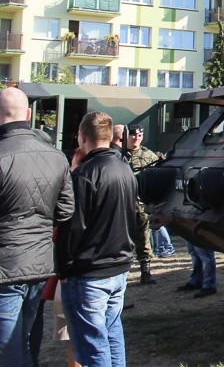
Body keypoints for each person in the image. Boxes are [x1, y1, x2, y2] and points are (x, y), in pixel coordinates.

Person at [0, 87, 75, 366]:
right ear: (29, 115)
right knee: (25, 340)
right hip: (40, 264)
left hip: (6, 268)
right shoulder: (56, 156)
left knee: (9, 349)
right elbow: (66, 212)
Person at [56, 111, 137, 367]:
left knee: (93, 346)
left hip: (90, 272)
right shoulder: (125, 169)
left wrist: (64, 267)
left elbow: (73, 228)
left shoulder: (84, 176)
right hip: (118, 267)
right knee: (112, 336)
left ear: (82, 137)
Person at [125, 125, 160, 284]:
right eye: (133, 135)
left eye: (139, 134)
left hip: (141, 204)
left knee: (144, 239)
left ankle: (145, 272)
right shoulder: (119, 155)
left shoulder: (148, 155)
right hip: (124, 205)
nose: (136, 137)